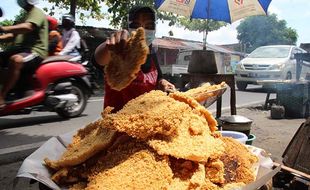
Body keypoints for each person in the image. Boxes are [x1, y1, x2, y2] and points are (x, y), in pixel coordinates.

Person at [93, 6, 176, 112]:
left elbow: (158, 78)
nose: (142, 30)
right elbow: (98, 59)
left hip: (146, 121)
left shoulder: (151, 53)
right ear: (127, 28)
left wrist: (163, 83)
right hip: (116, 123)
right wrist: (109, 47)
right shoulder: (119, 51)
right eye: (136, 25)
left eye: (149, 26)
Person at [0, 0, 48, 108]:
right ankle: (13, 88)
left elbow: (28, 27)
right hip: (22, 50)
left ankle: (1, 97)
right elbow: (12, 36)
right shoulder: (24, 17)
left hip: (35, 51)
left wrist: (3, 28)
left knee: (15, 60)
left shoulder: (37, 12)